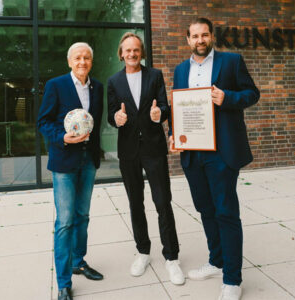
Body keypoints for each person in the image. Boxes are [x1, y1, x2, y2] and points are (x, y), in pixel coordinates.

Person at [169, 17, 260, 300]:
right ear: (188, 39)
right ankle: (216, 261)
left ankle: (232, 279)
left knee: (226, 212)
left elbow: (252, 94)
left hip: (222, 152)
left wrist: (227, 97)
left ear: (212, 37)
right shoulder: (181, 69)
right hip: (193, 153)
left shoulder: (231, 62)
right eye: (195, 36)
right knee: (206, 210)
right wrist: (173, 134)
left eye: (204, 35)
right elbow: (179, 106)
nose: (200, 40)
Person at [107, 32, 185, 285]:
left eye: (136, 50)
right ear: (121, 54)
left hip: (153, 148)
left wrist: (158, 113)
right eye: (127, 50)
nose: (132, 54)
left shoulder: (155, 75)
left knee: (163, 202)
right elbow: (111, 114)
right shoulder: (113, 81)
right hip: (128, 151)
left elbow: (164, 106)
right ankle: (143, 252)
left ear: (142, 53)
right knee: (135, 203)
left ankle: (172, 257)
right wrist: (116, 119)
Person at [37, 42, 104, 300]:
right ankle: (64, 282)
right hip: (64, 161)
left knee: (83, 215)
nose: (82, 61)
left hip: (88, 160)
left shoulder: (97, 87)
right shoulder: (56, 85)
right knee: (65, 222)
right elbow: (43, 121)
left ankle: (79, 261)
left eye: (87, 57)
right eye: (77, 57)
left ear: (91, 62)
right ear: (69, 61)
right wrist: (63, 138)